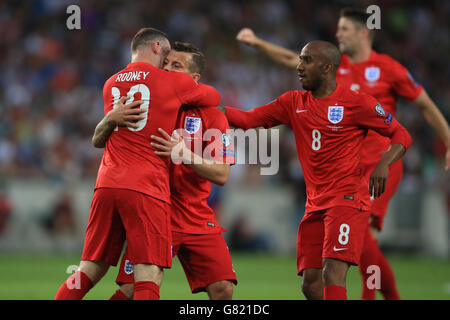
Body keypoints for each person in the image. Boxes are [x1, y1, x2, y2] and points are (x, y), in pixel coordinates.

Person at [235, 8, 450, 300]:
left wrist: (448, 141)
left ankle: (376, 296)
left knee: (357, 249)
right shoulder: (334, 69)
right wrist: (258, 44)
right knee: (321, 277)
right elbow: (289, 63)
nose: (338, 33)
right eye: (337, 29)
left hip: (373, 169)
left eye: (344, 29)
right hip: (326, 183)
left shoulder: (388, 70)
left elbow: (423, 106)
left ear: (364, 32)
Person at [220, 40, 412, 300]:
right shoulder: (293, 102)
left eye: (307, 60)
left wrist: (383, 163)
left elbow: (401, 134)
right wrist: (207, 107)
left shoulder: (357, 103)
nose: (299, 66)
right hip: (314, 205)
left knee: (333, 273)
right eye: (300, 59)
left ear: (327, 67)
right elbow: (247, 119)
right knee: (310, 285)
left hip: (346, 200)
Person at [54, 28, 221, 300]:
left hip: (106, 184)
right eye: (166, 55)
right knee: (148, 272)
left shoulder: (111, 83)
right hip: (145, 187)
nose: (166, 63)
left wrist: (110, 118)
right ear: (156, 47)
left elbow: (101, 138)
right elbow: (213, 97)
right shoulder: (170, 82)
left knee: (89, 268)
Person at [92, 41, 237, 300]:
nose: (166, 70)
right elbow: (105, 141)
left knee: (223, 288)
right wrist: (106, 121)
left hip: (195, 216)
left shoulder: (214, 118)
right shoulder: (145, 105)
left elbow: (222, 174)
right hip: (155, 210)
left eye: (176, 66)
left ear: (195, 79)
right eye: (165, 63)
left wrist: (184, 154)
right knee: (131, 289)